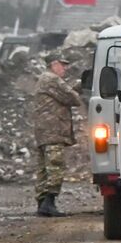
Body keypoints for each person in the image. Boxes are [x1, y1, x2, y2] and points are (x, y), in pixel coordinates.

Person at [31, 51, 83, 217]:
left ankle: (42, 203)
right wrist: (78, 88)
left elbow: (64, 93)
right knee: (55, 167)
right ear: (53, 64)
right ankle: (49, 203)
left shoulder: (45, 80)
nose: (65, 68)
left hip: (44, 132)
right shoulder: (51, 79)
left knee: (43, 168)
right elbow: (73, 98)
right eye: (62, 64)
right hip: (53, 131)